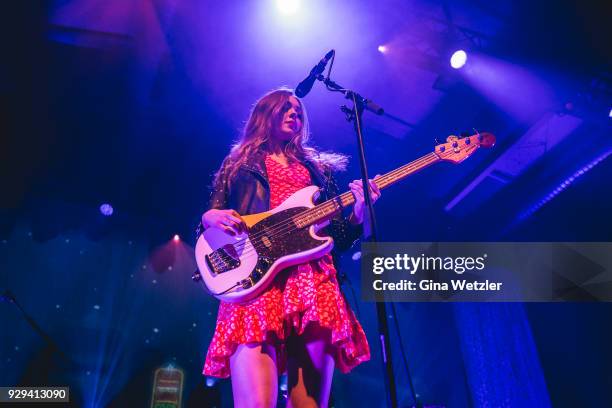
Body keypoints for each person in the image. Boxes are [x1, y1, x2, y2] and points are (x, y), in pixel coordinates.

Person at [199, 87, 381, 407]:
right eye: (285, 108)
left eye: (298, 111)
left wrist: (358, 214)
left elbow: (337, 237)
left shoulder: (318, 170)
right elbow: (210, 228)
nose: (294, 113)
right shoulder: (239, 163)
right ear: (264, 115)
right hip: (255, 281)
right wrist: (208, 217)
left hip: (313, 282)